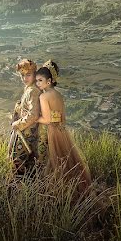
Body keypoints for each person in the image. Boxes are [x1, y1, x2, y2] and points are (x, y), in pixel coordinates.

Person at [34, 60, 92, 193]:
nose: (37, 83)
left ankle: (60, 191)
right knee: (67, 159)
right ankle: (74, 188)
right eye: (37, 80)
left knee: (56, 162)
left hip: (53, 131)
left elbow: (48, 119)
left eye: (40, 80)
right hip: (62, 130)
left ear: (49, 81)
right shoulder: (58, 94)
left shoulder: (44, 96)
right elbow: (62, 116)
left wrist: (35, 118)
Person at [8, 58, 41, 175]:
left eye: (28, 75)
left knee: (18, 163)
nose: (24, 78)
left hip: (27, 133)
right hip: (24, 131)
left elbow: (33, 114)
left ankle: (19, 188)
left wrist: (18, 124)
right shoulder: (29, 89)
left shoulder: (33, 91)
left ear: (34, 74)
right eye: (22, 75)